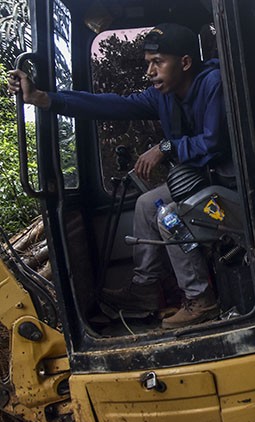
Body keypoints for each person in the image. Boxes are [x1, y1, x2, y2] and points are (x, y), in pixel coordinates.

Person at [8, 23, 229, 329]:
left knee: (169, 217)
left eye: (157, 62)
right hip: (200, 183)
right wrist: (46, 99)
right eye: (148, 63)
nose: (150, 71)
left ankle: (202, 301)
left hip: (226, 183)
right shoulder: (162, 97)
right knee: (146, 204)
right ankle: (146, 291)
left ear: (185, 62)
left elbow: (214, 143)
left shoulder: (214, 84)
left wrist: (165, 147)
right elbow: (113, 105)